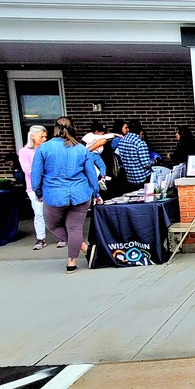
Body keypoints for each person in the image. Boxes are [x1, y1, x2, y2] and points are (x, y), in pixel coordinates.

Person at [31, 117, 101, 273]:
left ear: (55, 129)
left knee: (53, 225)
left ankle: (85, 249)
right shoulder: (82, 149)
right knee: (75, 229)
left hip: (54, 194)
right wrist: (96, 193)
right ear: (73, 128)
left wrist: (38, 192)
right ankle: (73, 262)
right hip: (81, 193)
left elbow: (36, 176)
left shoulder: (43, 149)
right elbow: (91, 175)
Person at [18, 125, 48, 250]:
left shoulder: (46, 149)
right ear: (32, 136)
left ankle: (61, 236)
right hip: (34, 187)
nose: (44, 139)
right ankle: (40, 238)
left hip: (49, 185)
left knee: (56, 212)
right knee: (39, 212)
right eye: (42, 136)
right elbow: (27, 170)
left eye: (45, 136)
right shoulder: (24, 151)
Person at [116, 119, 153, 187]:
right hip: (143, 178)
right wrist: (154, 161)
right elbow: (146, 164)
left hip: (130, 179)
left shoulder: (121, 141)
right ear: (140, 130)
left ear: (129, 129)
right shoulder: (140, 143)